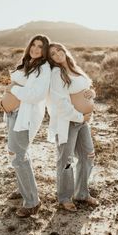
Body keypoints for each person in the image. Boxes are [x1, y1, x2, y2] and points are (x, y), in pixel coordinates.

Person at [47, 42, 98, 212]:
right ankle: (64, 197)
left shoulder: (75, 68)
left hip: (82, 122)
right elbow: (60, 102)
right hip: (67, 122)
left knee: (87, 155)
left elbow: (86, 88)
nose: (57, 55)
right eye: (52, 54)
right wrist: (80, 116)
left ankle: (82, 193)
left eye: (58, 51)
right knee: (66, 160)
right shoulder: (56, 73)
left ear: (64, 50)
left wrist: (92, 94)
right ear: (50, 59)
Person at [5, 34, 51, 217]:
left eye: (40, 46)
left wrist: (13, 89)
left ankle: (32, 202)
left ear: (44, 50)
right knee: (13, 152)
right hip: (13, 114)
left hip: (25, 117)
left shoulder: (44, 68)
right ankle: (23, 188)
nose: (35, 48)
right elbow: (18, 81)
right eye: (34, 44)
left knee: (19, 156)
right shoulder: (28, 63)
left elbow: (36, 95)